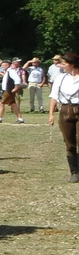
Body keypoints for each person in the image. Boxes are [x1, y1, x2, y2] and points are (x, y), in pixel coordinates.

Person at [52, 53, 79, 183]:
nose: (61, 66)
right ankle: (74, 172)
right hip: (65, 110)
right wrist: (51, 114)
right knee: (69, 143)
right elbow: (54, 96)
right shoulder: (61, 78)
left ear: (72, 64)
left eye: (63, 63)